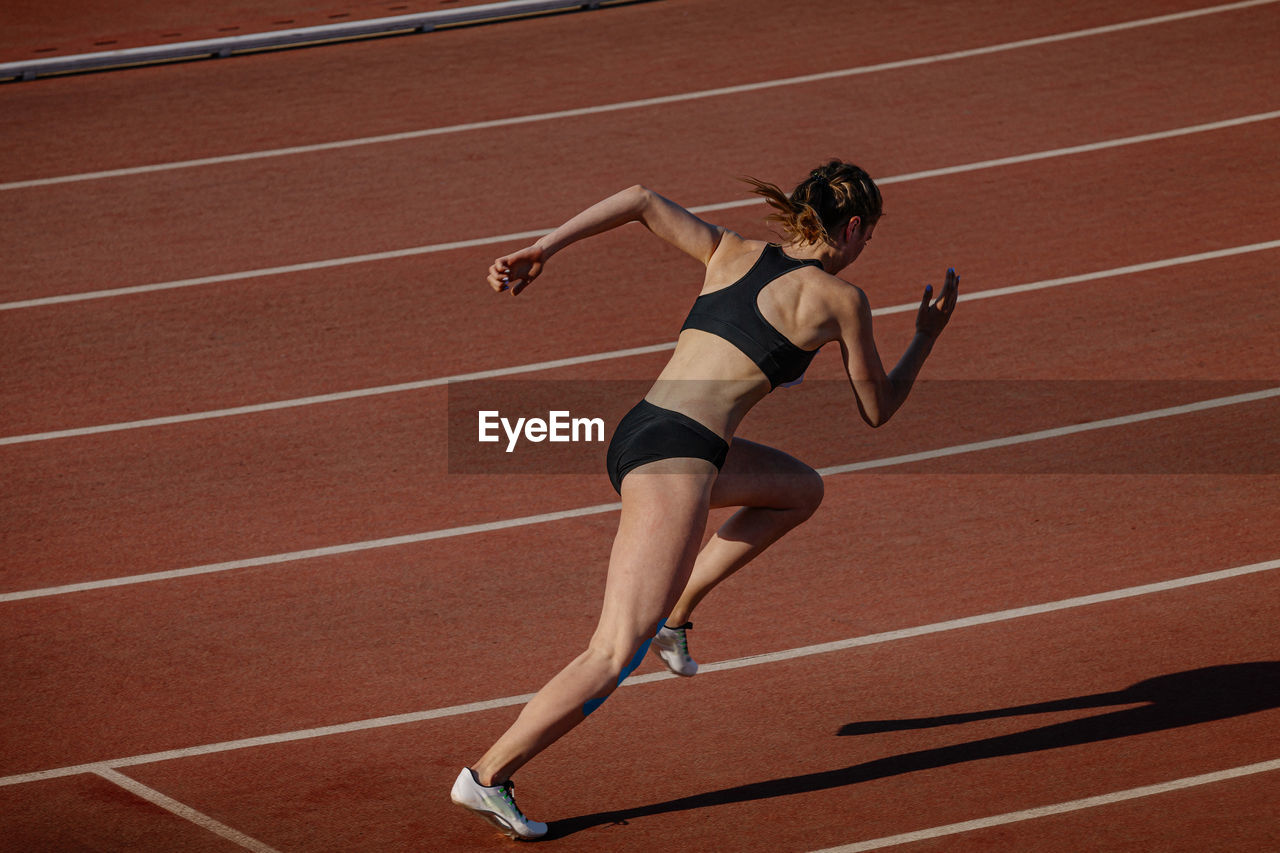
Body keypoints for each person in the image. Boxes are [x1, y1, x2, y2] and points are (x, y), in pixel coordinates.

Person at [450, 160, 958, 839]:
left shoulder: (731, 251)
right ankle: (487, 775)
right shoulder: (841, 300)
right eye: (871, 236)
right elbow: (878, 409)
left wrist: (541, 249)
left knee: (799, 489)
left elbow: (638, 197)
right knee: (612, 649)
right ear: (854, 227)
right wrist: (924, 337)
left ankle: (677, 615)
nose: (868, 250)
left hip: (645, 429)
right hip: (678, 460)